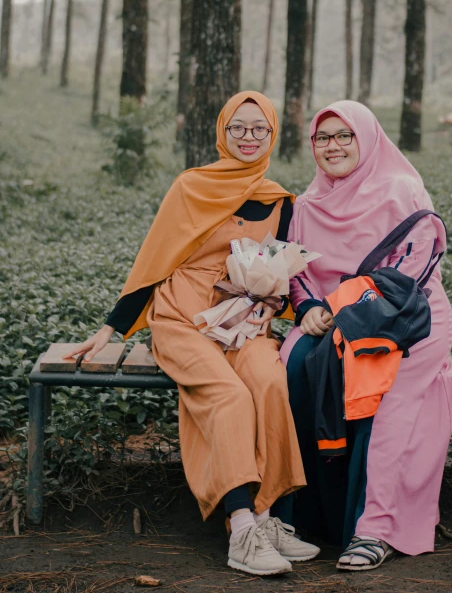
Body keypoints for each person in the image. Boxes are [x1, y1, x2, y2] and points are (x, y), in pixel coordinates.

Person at [65, 92, 319, 576]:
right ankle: (241, 526)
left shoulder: (278, 199)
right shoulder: (192, 186)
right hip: (183, 319)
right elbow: (153, 261)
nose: (248, 138)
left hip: (242, 320)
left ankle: (265, 517)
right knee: (227, 395)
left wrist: (273, 302)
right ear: (222, 132)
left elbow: (279, 268)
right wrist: (110, 330)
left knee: (268, 382)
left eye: (259, 129)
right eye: (238, 128)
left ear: (272, 134)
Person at [279, 100, 452, 571]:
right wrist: (310, 307)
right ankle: (298, 515)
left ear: (367, 138)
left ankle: (375, 527)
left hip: (405, 321)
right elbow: (297, 270)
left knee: (387, 399)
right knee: (290, 365)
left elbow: (415, 266)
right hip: (333, 322)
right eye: (323, 138)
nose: (333, 146)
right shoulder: (308, 203)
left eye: (345, 136)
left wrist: (343, 310)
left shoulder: (401, 189)